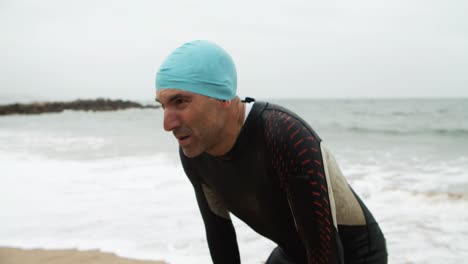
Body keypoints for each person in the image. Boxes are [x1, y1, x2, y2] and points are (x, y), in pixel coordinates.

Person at [155, 40, 387, 264]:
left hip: (355, 256)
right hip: (293, 254)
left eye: (180, 101)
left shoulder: (284, 135)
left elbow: (326, 251)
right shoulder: (195, 151)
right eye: (163, 105)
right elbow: (219, 235)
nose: (167, 124)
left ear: (223, 97)